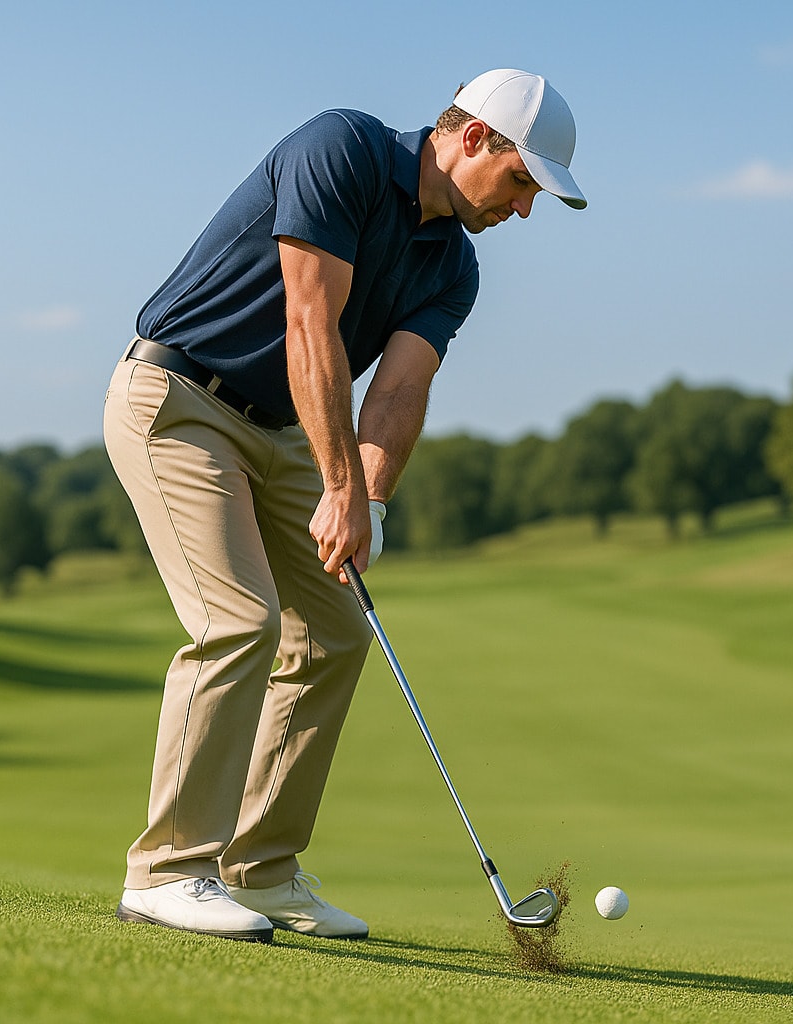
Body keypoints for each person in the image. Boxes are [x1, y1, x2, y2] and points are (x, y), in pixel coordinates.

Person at [103, 68, 586, 944]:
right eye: (522, 182)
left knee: (336, 626)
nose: (523, 211)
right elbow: (309, 325)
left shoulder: (455, 267)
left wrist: (368, 503)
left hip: (286, 430)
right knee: (237, 618)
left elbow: (398, 394)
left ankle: (263, 869)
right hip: (177, 399)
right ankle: (169, 869)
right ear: (472, 137)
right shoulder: (345, 150)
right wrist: (335, 487)